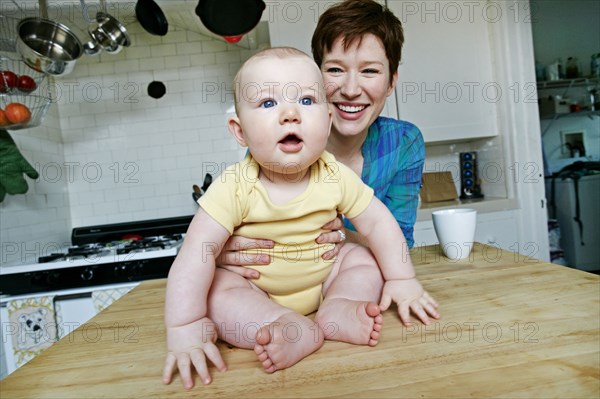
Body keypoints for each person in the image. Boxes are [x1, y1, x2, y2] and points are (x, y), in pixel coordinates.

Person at [162, 48, 439, 389]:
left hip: (324, 278)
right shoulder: (233, 186)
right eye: (267, 104)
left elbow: (380, 224)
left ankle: (339, 307)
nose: (290, 114)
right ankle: (285, 326)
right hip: (256, 290)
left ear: (327, 118)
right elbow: (195, 255)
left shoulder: (334, 175)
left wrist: (402, 279)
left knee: (361, 258)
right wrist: (184, 326)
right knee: (217, 291)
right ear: (239, 131)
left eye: (307, 101)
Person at [216, 0, 425, 281]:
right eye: (335, 70)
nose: (351, 90)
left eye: (370, 71)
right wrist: (222, 250)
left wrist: (341, 237)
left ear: (391, 82)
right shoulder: (282, 145)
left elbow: (401, 242)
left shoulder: (404, 142)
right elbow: (249, 233)